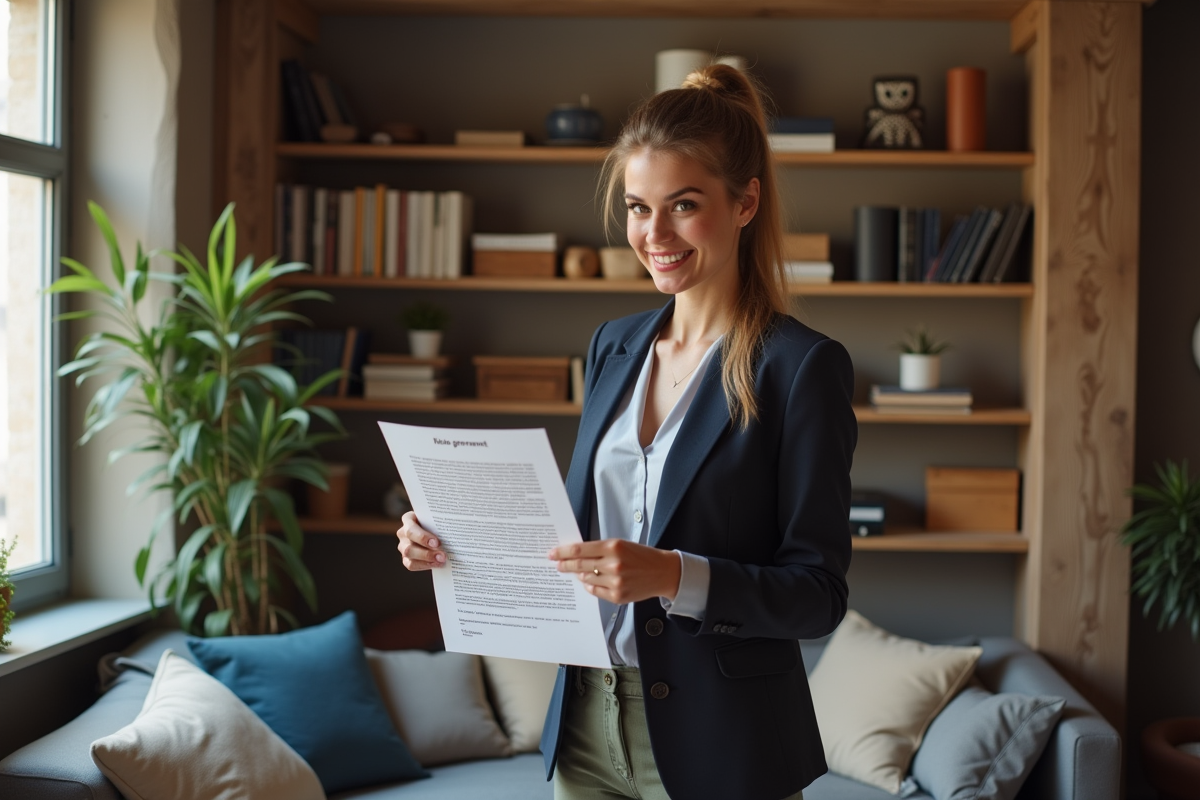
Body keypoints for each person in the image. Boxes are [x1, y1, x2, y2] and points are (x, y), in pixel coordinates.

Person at [396, 63, 856, 800]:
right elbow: (581, 538)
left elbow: (818, 594)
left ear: (746, 203)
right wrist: (449, 541)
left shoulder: (802, 368)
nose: (654, 235)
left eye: (683, 205)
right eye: (639, 209)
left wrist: (674, 575)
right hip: (585, 723)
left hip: (726, 736)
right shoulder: (614, 344)